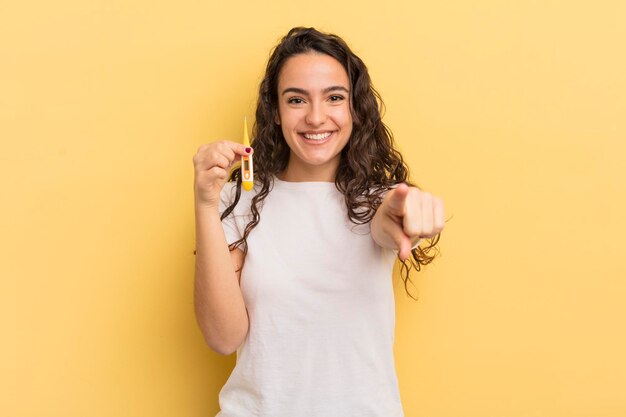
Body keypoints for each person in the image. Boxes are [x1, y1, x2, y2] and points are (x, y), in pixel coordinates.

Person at [193, 26, 445, 417]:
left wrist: (406, 210)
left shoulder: (375, 201)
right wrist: (206, 204)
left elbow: (386, 222)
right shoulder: (240, 198)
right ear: (275, 112)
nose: (315, 117)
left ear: (354, 109)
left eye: (334, 98)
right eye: (296, 100)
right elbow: (224, 337)